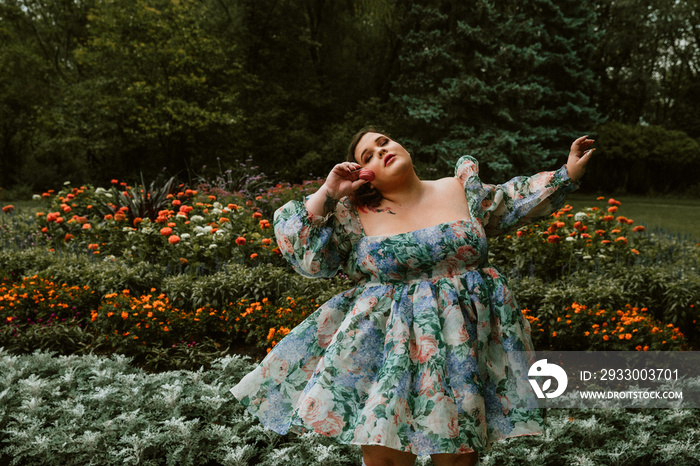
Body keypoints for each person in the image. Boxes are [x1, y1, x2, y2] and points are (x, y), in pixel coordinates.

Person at [230, 127, 594, 466]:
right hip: (387, 344)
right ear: (363, 174)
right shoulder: (352, 215)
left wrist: (568, 173)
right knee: (386, 452)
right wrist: (329, 191)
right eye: (368, 155)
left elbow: (511, 203)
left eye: (384, 142)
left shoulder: (458, 187)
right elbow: (307, 257)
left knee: (458, 452)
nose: (381, 151)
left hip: (462, 341)